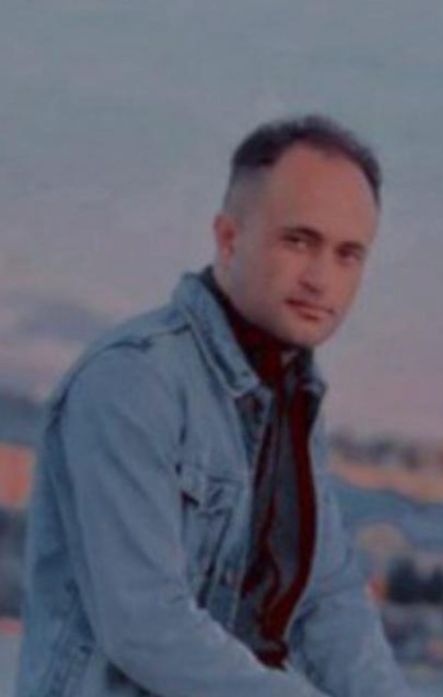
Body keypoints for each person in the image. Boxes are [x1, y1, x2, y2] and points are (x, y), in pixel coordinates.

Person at [16, 115, 412, 696]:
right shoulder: (134, 379)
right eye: (299, 241)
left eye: (347, 255)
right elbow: (145, 625)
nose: (321, 279)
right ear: (229, 239)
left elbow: (329, 603)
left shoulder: (290, 395)